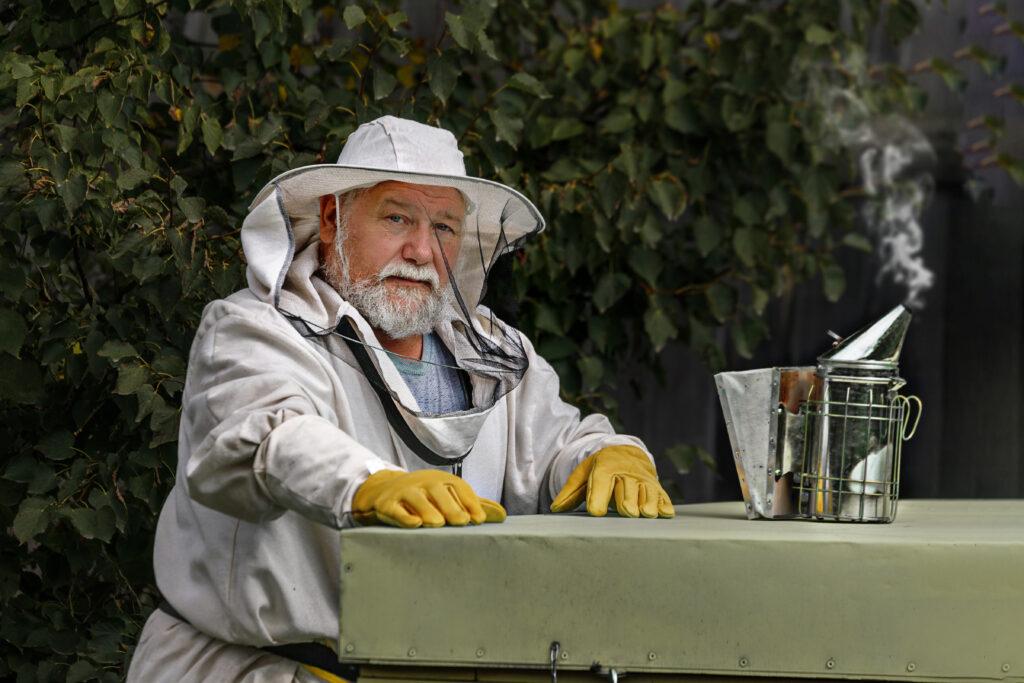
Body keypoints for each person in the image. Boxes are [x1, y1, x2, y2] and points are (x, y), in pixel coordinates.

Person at [126, 116, 674, 683]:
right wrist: (368, 484)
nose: (421, 250)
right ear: (334, 217)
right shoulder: (254, 331)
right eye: (397, 217)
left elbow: (558, 444)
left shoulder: (492, 351)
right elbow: (267, 440)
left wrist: (609, 454)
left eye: (444, 227)